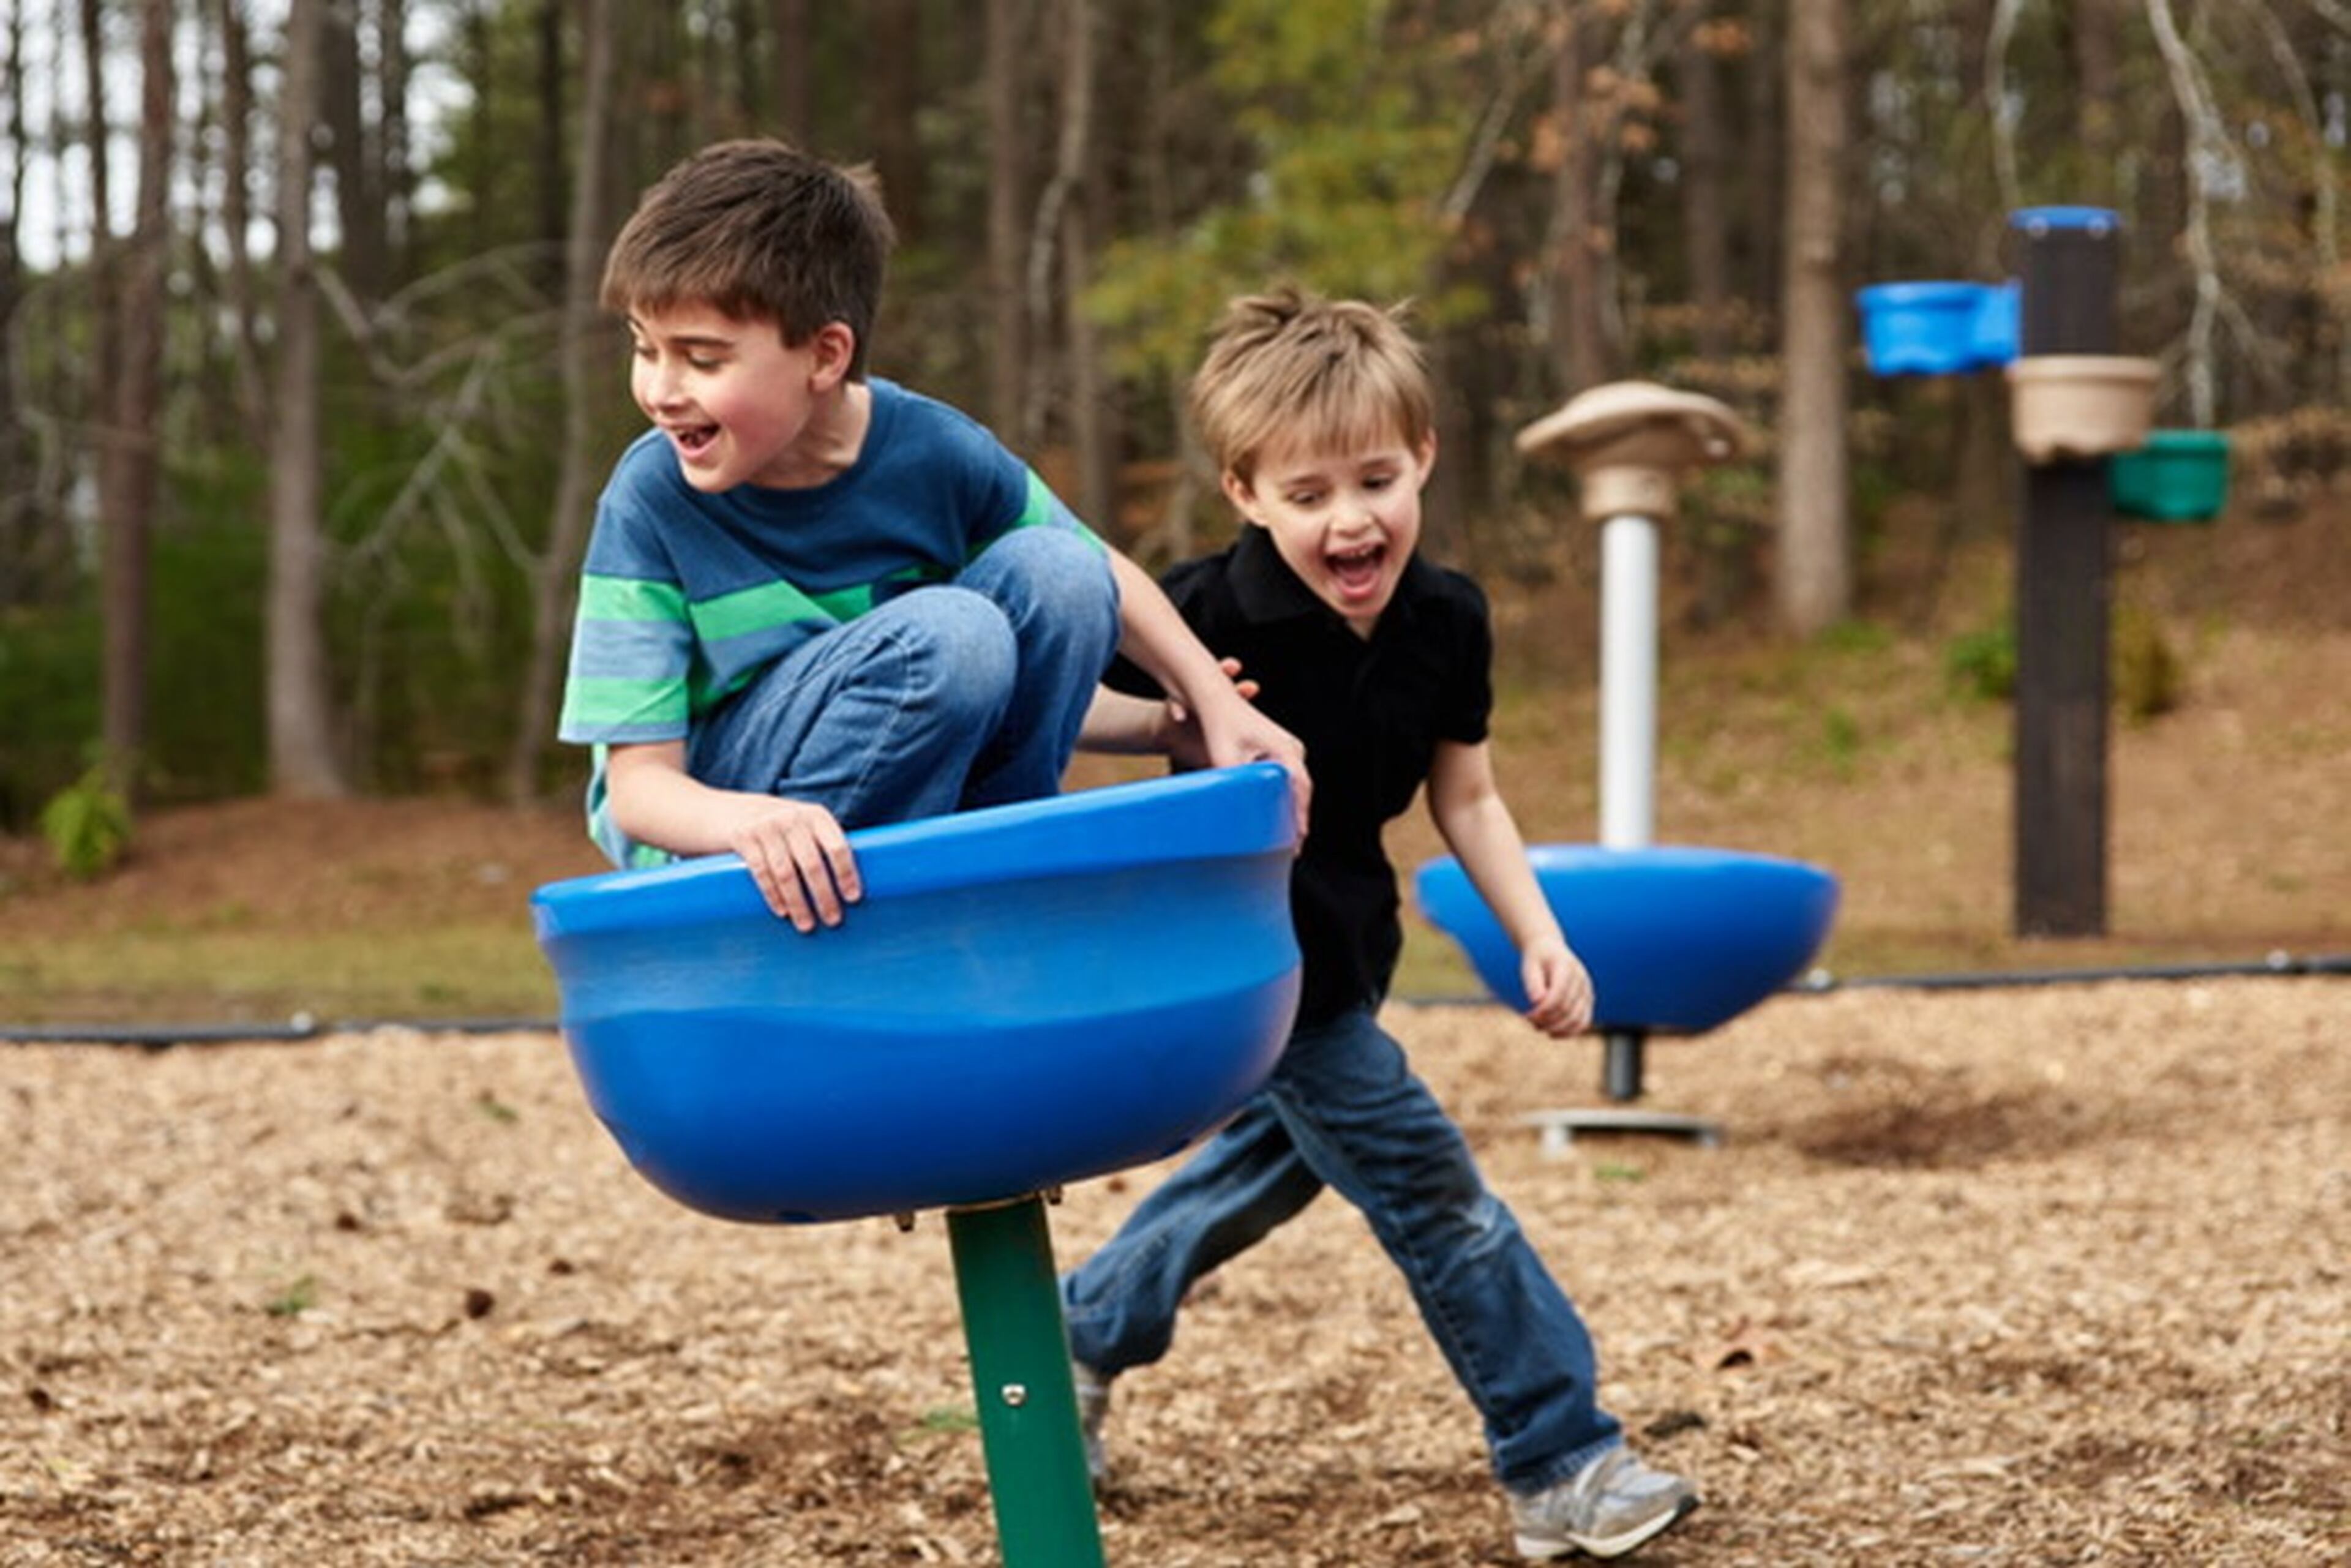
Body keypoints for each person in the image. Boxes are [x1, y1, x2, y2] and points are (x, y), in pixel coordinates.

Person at [1066, 287, 1699, 1562]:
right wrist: (1166, 716)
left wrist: (1538, 932)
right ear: (1247, 491)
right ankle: (1562, 1455)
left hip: (1347, 949)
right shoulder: (1204, 615)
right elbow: (1051, 688)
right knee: (1429, 1184)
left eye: (1375, 478)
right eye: (1308, 494)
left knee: (1276, 1159)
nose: (1350, 517)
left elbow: (1465, 791)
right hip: (1240, 959)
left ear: (1424, 458)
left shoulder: (1447, 618)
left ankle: (1082, 1322)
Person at [556, 139, 1306, 919]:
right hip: (722, 823)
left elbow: (1082, 586)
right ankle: (866, 913)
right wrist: (745, 822)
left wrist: (1200, 710)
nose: (660, 389)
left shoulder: (932, 453)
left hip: (918, 772)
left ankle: (988, 872)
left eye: (701, 359)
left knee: (1056, 568)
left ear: (824, 354)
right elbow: (639, 786)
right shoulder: (652, 500)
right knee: (954, 630)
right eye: (646, 350)